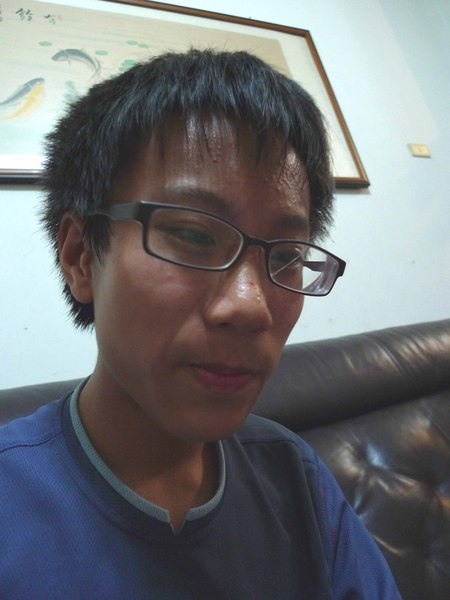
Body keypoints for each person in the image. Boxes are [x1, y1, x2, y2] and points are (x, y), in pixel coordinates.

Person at [1, 49, 401, 599]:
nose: (251, 307)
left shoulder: (296, 478)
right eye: (192, 235)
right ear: (80, 257)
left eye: (287, 255)